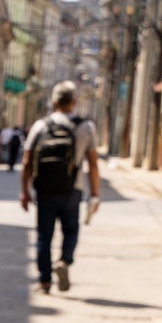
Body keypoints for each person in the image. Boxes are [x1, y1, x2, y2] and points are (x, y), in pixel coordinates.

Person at [19, 82, 102, 295]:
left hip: (45, 189)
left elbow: (27, 161)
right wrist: (95, 194)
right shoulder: (86, 127)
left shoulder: (40, 126)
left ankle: (45, 282)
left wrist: (25, 191)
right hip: (72, 190)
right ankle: (64, 260)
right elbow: (93, 163)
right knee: (71, 230)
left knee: (43, 236)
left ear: (54, 101)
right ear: (74, 102)